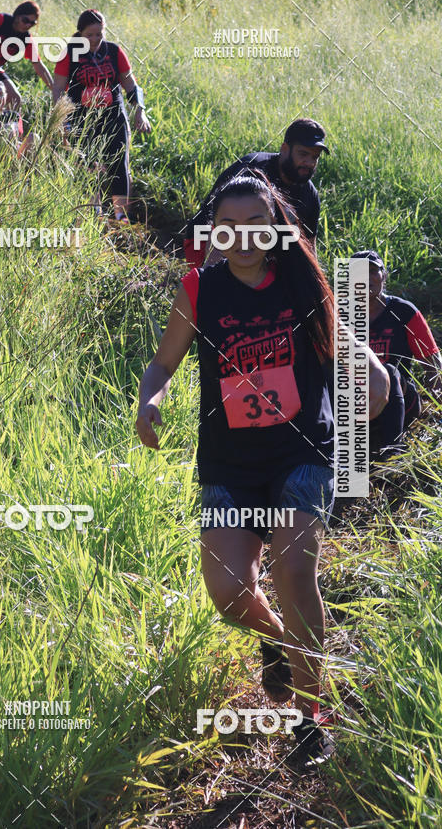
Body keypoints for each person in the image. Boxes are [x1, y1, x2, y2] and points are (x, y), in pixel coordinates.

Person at [136, 172, 390, 770]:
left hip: (300, 453)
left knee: (293, 569)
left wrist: (372, 381)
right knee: (228, 594)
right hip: (229, 463)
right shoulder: (199, 289)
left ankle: (309, 716)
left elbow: (356, 359)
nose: (243, 238)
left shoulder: (301, 283)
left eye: (256, 225)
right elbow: (163, 364)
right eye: (228, 227)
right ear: (213, 234)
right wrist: (151, 399)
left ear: (276, 229)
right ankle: (283, 642)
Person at [183, 118, 329, 267]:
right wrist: (210, 273)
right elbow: (221, 227)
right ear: (284, 149)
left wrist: (312, 279)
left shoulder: (309, 194)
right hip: (204, 240)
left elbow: (309, 248)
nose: (310, 163)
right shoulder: (253, 171)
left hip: (257, 247)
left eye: (315, 157)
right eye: (303, 154)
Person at [52, 8, 150, 221]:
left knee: (119, 163)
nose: (95, 39)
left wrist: (140, 112)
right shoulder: (69, 53)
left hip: (113, 114)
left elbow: (130, 84)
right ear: (80, 33)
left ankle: (121, 216)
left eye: (99, 34)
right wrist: (61, 119)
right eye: (89, 35)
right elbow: (58, 88)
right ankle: (94, 212)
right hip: (81, 116)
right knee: (87, 164)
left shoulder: (113, 51)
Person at [351, 249, 441, 438]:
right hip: (357, 401)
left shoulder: (404, 312)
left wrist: (436, 408)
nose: (366, 278)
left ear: (383, 276)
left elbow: (433, 366)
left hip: (401, 401)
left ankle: (392, 447)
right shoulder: (340, 317)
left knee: (388, 372)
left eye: (372, 271)